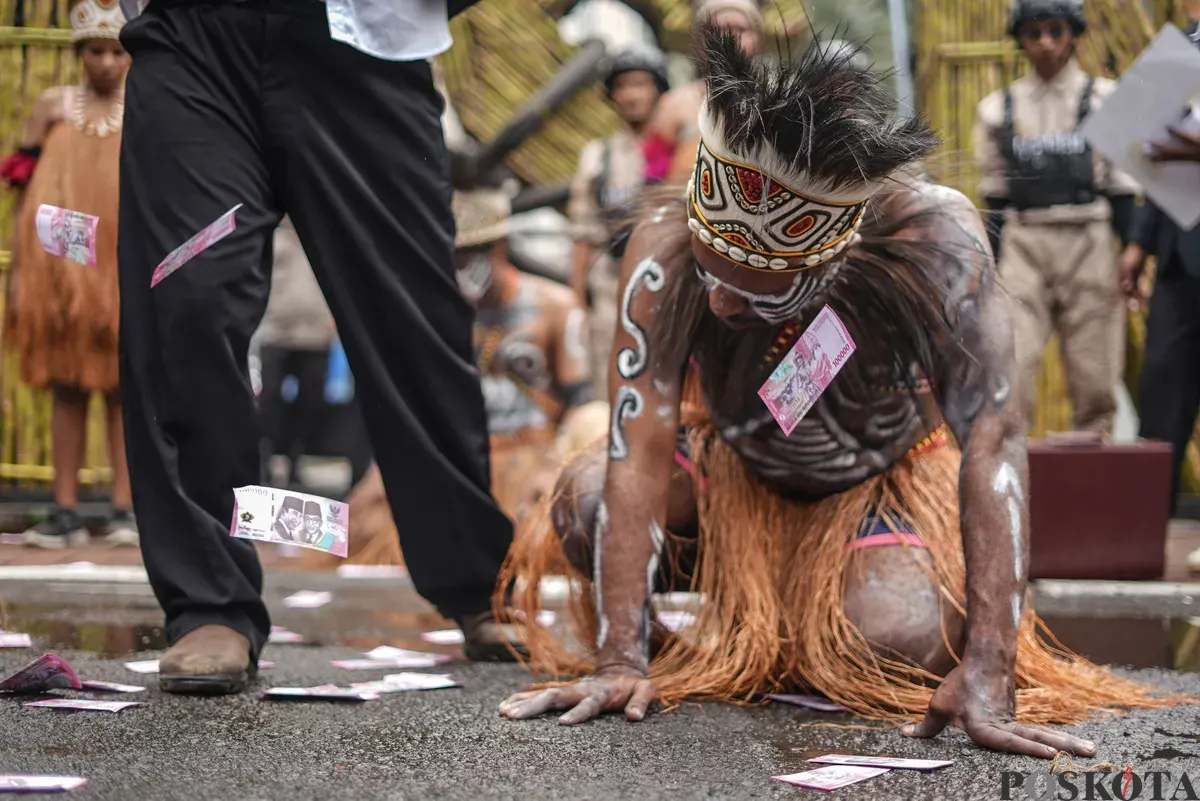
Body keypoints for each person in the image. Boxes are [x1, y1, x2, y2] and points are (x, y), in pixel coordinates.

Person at [496, 28, 1178, 756]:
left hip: (881, 477)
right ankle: (709, 635)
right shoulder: (664, 240)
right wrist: (619, 658)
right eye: (711, 271)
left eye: (759, 292)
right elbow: (636, 449)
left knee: (893, 636)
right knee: (587, 500)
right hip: (737, 468)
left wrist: (991, 662)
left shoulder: (931, 235)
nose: (722, 303)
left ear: (830, 257)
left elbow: (994, 435)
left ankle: (809, 612)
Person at [116, 0, 515, 692]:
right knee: (189, 303)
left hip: (361, 45)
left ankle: (478, 581)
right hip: (195, 44)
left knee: (413, 320)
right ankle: (210, 603)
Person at [302, 187, 604, 569]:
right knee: (358, 520)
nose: (460, 267)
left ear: (499, 248)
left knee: (532, 526)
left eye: (470, 254)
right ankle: (253, 534)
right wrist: (387, 468)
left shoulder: (555, 306)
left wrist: (555, 465)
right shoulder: (435, 312)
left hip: (530, 456)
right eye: (453, 256)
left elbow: (581, 403)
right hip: (459, 459)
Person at [0, 0, 137, 549]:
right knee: (67, 385)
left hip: (123, 264)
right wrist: (22, 266)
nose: (106, 62)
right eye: (96, 51)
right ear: (80, 52)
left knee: (125, 388)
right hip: (61, 266)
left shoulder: (144, 106)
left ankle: (125, 509)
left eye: (117, 52)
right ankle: (63, 509)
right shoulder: (52, 106)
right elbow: (22, 189)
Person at [973, 0, 1138, 436]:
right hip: (1024, 243)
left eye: (1056, 31)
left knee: (1094, 365)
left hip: (1089, 239)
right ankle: (1012, 458)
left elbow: (1122, 186)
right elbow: (994, 193)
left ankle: (1095, 452)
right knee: (1013, 356)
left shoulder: (1104, 98)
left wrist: (1131, 251)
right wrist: (990, 265)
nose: (1045, 42)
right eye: (1034, 33)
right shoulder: (997, 108)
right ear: (1020, 39)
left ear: (1072, 33)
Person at [1118, 0, 1200, 572]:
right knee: (1162, 393)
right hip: (1177, 257)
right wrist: (1137, 245)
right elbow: (1157, 168)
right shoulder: (1185, 48)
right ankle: (1144, 536)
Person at [569, 45, 670, 398]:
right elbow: (583, 231)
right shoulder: (599, 156)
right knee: (610, 384)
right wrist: (577, 304)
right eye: (622, 86)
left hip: (667, 284)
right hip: (611, 290)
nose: (631, 95)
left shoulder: (678, 148)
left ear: (659, 89)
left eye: (640, 84)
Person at [646, 0, 763, 185]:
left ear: (757, 40)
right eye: (717, 30)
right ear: (701, 42)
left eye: (740, 29)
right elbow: (654, 176)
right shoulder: (675, 104)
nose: (729, 38)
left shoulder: (780, 102)